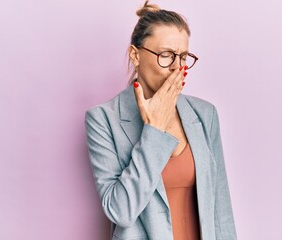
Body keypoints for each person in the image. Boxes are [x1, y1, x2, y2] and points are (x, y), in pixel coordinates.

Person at [85, 1, 237, 239]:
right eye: (166, 55)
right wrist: (154, 131)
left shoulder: (205, 115)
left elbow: (221, 210)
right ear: (135, 55)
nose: (177, 68)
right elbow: (121, 211)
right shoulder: (103, 120)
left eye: (183, 57)